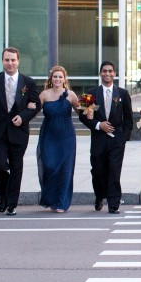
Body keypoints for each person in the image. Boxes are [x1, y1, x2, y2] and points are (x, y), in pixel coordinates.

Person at [0, 47, 41, 216]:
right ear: (2, 61)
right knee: (0, 165)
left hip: (19, 132)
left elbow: (36, 104)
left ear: (18, 61)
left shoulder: (28, 82)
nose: (10, 63)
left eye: (13, 60)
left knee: (16, 167)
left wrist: (24, 116)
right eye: (7, 60)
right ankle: (3, 194)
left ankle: (11, 203)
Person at [80, 60, 134, 214]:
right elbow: (84, 117)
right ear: (100, 73)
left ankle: (113, 204)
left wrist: (123, 138)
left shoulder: (123, 93)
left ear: (114, 74)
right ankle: (99, 195)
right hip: (98, 139)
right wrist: (98, 125)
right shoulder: (90, 93)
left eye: (110, 71)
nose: (107, 74)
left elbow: (129, 119)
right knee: (98, 171)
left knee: (114, 171)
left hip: (117, 140)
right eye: (104, 71)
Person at [36, 65, 79, 212]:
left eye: (60, 77)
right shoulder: (44, 95)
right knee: (49, 167)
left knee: (65, 169)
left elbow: (82, 112)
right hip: (48, 135)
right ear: (51, 78)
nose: (57, 79)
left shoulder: (71, 95)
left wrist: (93, 117)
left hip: (66, 136)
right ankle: (51, 199)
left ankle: (61, 202)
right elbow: (33, 111)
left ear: (64, 79)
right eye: (55, 76)